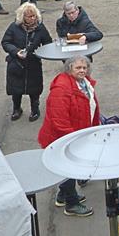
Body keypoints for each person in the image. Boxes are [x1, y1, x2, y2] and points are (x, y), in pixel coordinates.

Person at [37, 55, 97, 217]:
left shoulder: (84, 83)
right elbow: (59, 120)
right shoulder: (61, 89)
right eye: (78, 68)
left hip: (75, 134)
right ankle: (72, 204)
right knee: (69, 169)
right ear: (69, 68)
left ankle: (63, 196)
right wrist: (72, 140)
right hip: (62, 138)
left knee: (67, 168)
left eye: (84, 67)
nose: (82, 70)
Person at [1, 2, 52, 121]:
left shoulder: (40, 28)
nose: (32, 18)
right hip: (16, 63)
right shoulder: (14, 27)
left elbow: (48, 43)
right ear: (22, 17)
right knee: (16, 90)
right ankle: (17, 109)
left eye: (34, 16)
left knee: (34, 89)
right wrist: (16, 51)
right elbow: (6, 42)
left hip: (33, 63)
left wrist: (40, 52)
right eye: (29, 16)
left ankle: (35, 109)